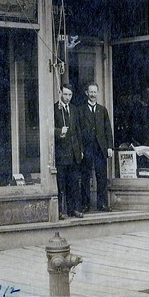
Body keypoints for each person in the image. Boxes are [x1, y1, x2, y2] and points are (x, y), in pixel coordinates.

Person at [79, 82, 113, 212]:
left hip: (100, 149)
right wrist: (80, 149)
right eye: (91, 92)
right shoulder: (81, 110)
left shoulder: (102, 110)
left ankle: (102, 204)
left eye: (95, 92)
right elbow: (78, 131)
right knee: (85, 177)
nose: (93, 94)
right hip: (87, 148)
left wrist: (109, 146)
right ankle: (85, 204)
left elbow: (108, 129)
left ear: (97, 93)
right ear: (86, 93)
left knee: (102, 177)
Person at [54, 83, 83, 219]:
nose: (67, 97)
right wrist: (59, 132)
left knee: (73, 184)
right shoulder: (55, 109)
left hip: (74, 153)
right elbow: (48, 129)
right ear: (60, 93)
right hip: (61, 153)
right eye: (65, 94)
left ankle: (73, 210)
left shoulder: (74, 109)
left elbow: (78, 131)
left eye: (70, 95)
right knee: (61, 184)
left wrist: (80, 150)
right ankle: (60, 211)